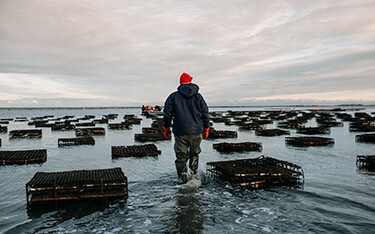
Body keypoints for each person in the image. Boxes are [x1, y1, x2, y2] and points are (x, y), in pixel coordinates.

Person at [163, 73, 210, 183]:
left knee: (181, 158)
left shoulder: (173, 96)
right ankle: (194, 177)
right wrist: (206, 128)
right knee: (194, 154)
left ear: (180, 83)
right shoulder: (198, 97)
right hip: (196, 131)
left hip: (180, 131)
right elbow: (205, 113)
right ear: (191, 81)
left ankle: (182, 180)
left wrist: (166, 128)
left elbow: (167, 114)